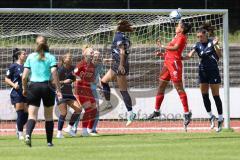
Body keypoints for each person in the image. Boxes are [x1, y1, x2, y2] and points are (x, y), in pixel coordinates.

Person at [147, 21, 192, 130]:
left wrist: (162, 46)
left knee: (179, 89)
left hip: (174, 65)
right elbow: (172, 52)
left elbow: (176, 48)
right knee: (161, 86)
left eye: (178, 26)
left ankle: (187, 113)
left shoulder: (182, 37)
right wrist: (162, 54)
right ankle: (156, 111)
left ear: (181, 29)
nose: (176, 27)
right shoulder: (177, 36)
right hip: (167, 63)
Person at [22, 35, 62, 147]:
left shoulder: (30, 57)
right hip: (47, 87)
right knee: (48, 116)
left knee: (32, 116)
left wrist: (25, 89)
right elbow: (54, 73)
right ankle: (49, 142)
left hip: (33, 87)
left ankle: (28, 135)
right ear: (46, 44)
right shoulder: (51, 57)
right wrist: (58, 90)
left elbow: (24, 77)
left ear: (36, 44)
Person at [183, 26, 223, 132]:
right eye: (198, 37)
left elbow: (220, 55)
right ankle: (211, 116)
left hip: (213, 71)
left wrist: (217, 45)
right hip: (202, 72)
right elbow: (189, 55)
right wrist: (179, 57)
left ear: (206, 35)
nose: (199, 38)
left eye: (201, 36)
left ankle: (220, 118)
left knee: (216, 96)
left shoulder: (213, 42)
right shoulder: (197, 45)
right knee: (204, 95)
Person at [101, 20, 136, 126]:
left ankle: (130, 113)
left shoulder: (118, 36)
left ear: (118, 27)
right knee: (103, 81)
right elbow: (119, 52)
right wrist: (110, 60)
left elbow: (122, 52)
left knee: (123, 91)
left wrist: (120, 65)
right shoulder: (124, 37)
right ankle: (107, 103)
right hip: (117, 63)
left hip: (120, 65)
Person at [56, 53, 82, 138]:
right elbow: (53, 82)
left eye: (71, 57)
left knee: (78, 109)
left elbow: (73, 77)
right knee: (64, 112)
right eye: (68, 57)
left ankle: (69, 128)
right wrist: (64, 82)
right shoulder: (59, 69)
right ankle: (59, 133)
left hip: (69, 93)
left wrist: (77, 78)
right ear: (64, 59)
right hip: (60, 93)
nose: (70, 58)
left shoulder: (72, 68)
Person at [73, 45, 97, 136]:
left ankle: (90, 129)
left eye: (93, 52)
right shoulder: (80, 64)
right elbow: (74, 75)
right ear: (85, 54)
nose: (92, 53)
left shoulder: (92, 66)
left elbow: (91, 78)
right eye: (91, 52)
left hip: (88, 89)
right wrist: (76, 82)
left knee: (94, 109)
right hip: (80, 89)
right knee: (88, 108)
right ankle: (83, 130)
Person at [5, 48, 28, 140]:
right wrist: (14, 85)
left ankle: (18, 127)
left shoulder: (27, 66)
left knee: (26, 114)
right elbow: (6, 79)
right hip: (16, 92)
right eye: (24, 54)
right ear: (19, 56)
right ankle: (20, 133)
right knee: (20, 112)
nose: (25, 55)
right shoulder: (13, 66)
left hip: (25, 91)